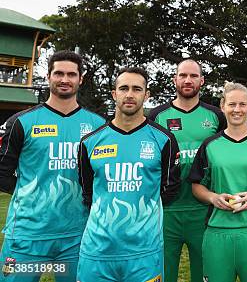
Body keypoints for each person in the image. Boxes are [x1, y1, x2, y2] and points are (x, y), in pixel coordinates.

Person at [0, 50, 105, 282]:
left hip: (77, 236)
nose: (64, 79)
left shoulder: (98, 126)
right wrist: (29, 191)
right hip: (28, 238)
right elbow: (2, 173)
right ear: (48, 77)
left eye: (71, 74)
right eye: (58, 73)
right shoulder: (21, 122)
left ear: (81, 79)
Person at [77, 67, 181, 282]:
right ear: (114, 94)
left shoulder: (164, 139)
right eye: (123, 88)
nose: (130, 94)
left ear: (147, 95)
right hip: (97, 251)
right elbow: (87, 192)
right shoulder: (89, 142)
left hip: (145, 252)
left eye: (137, 89)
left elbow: (169, 189)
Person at [189, 82, 247, 282]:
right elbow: (196, 186)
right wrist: (213, 197)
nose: (237, 110)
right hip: (218, 232)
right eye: (232, 104)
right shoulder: (210, 145)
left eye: (242, 104)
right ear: (223, 106)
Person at [148, 59, 226, 282]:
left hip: (202, 209)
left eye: (193, 76)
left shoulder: (215, 116)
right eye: (183, 75)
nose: (188, 80)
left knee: (204, 274)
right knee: (164, 273)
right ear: (175, 80)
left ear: (202, 81)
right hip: (167, 210)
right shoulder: (156, 116)